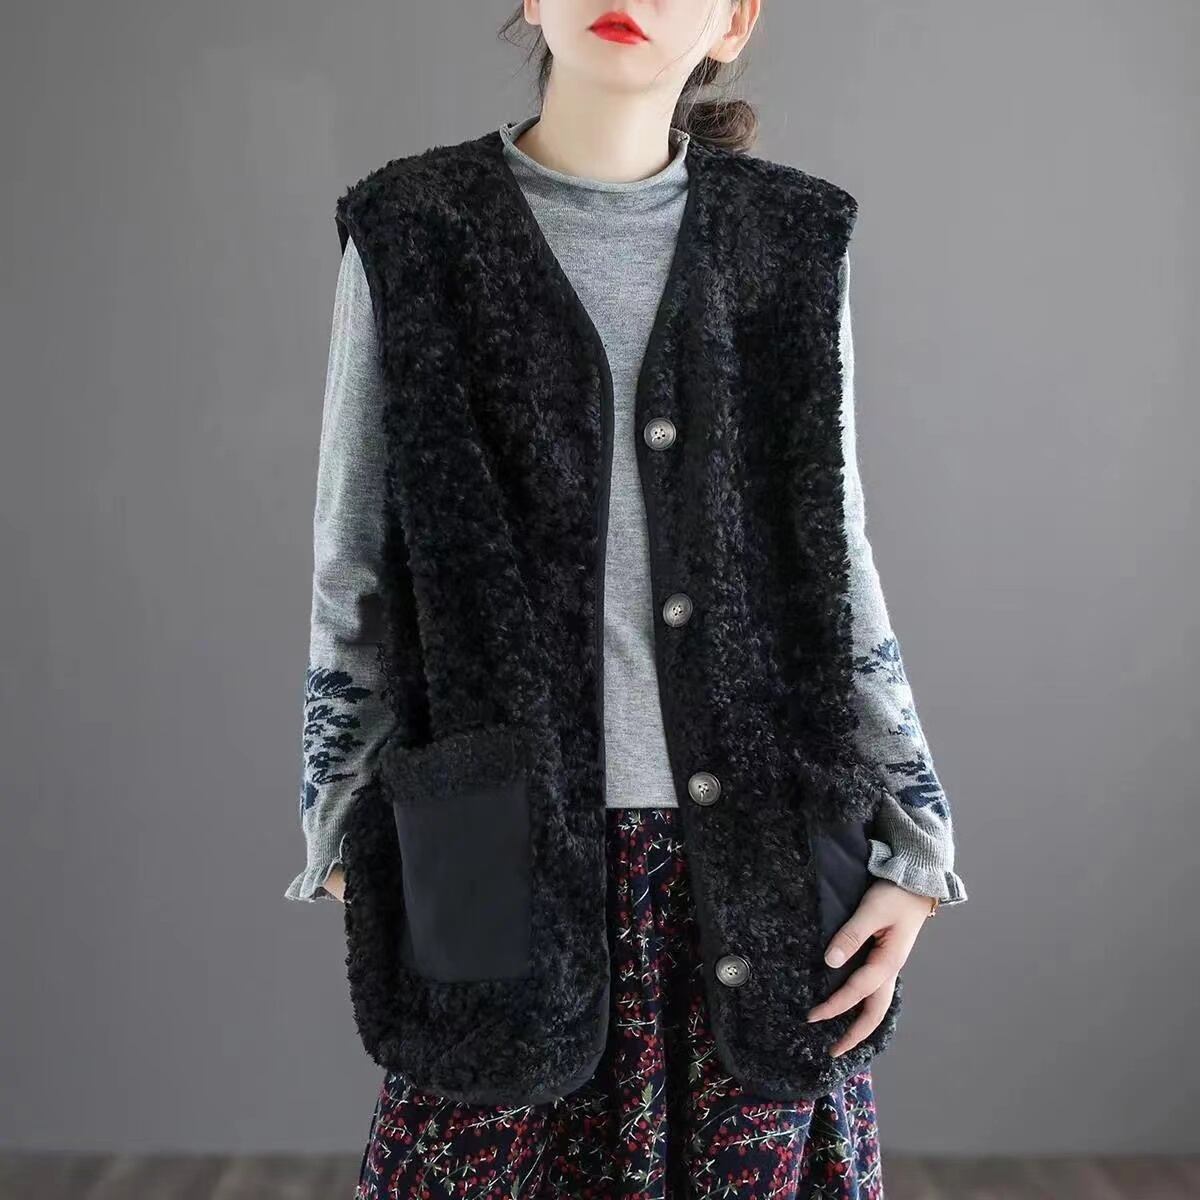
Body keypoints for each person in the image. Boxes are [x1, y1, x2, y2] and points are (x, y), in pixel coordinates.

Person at [287, 2, 967, 1195]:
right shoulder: (412, 228)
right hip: (498, 849)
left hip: (754, 853)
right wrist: (342, 825)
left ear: (734, 21)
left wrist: (918, 838)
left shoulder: (791, 239)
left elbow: (834, 554)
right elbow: (356, 566)